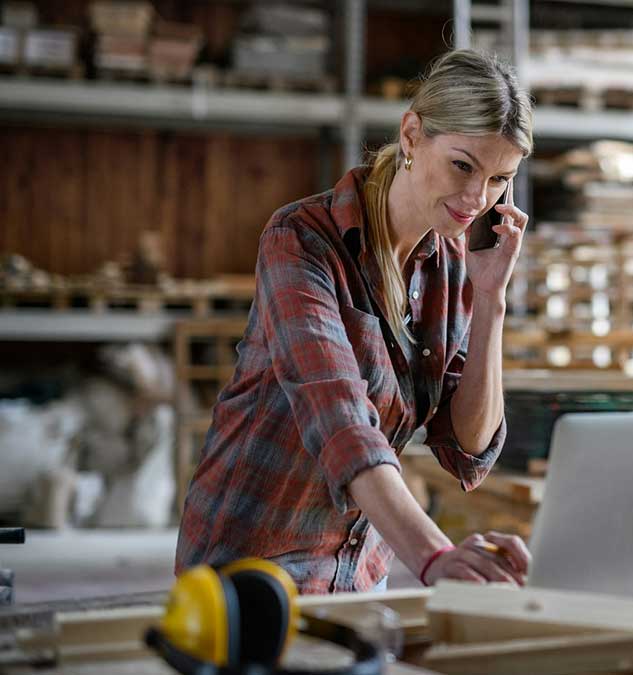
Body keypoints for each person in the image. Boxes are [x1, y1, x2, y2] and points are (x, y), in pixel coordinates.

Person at [175, 50, 533, 593]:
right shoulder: (301, 238)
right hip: (252, 564)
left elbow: (467, 448)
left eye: (499, 179)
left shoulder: (455, 264)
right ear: (411, 134)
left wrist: (491, 299)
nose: (476, 200)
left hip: (359, 570)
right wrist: (435, 557)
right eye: (464, 165)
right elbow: (339, 418)